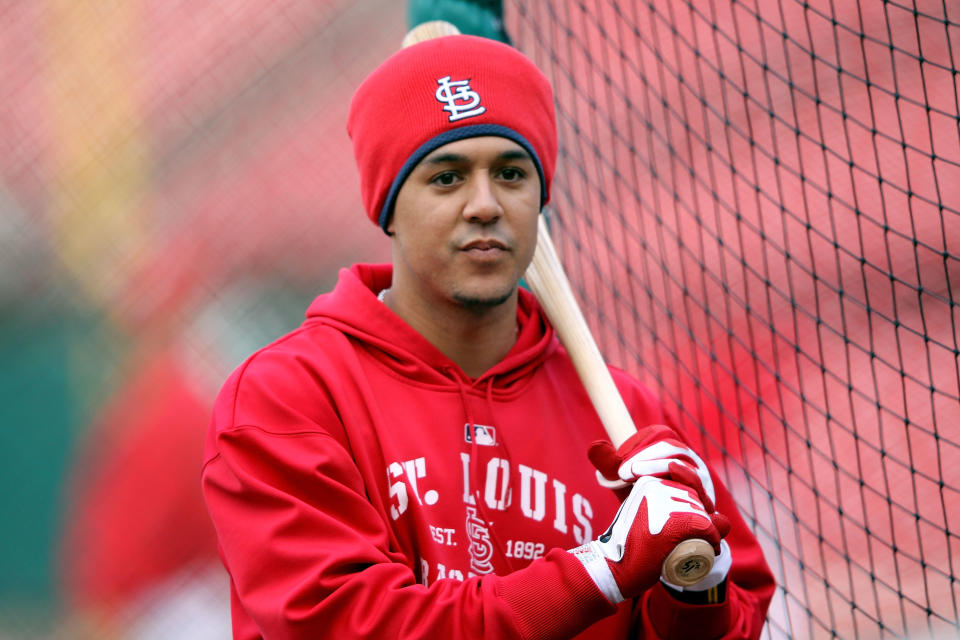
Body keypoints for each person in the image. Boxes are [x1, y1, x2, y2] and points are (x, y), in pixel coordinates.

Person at [201, 34, 775, 639]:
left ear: (540, 197)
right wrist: (602, 569)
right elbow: (350, 625)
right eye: (446, 177)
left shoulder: (624, 414)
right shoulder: (288, 398)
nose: (485, 205)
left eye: (510, 173)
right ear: (388, 208)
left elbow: (730, 626)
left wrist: (693, 581)